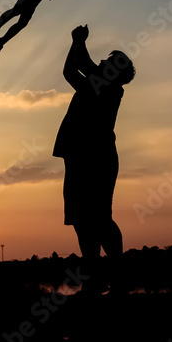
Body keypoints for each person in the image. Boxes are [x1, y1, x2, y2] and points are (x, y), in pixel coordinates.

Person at [53, 24, 135, 294]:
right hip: (79, 156)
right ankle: (93, 279)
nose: (102, 63)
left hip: (96, 159)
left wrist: (78, 40)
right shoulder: (94, 86)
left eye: (108, 63)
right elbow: (69, 70)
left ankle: (118, 278)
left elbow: (83, 63)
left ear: (114, 72)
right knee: (80, 218)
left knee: (99, 218)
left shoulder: (108, 89)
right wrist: (74, 41)